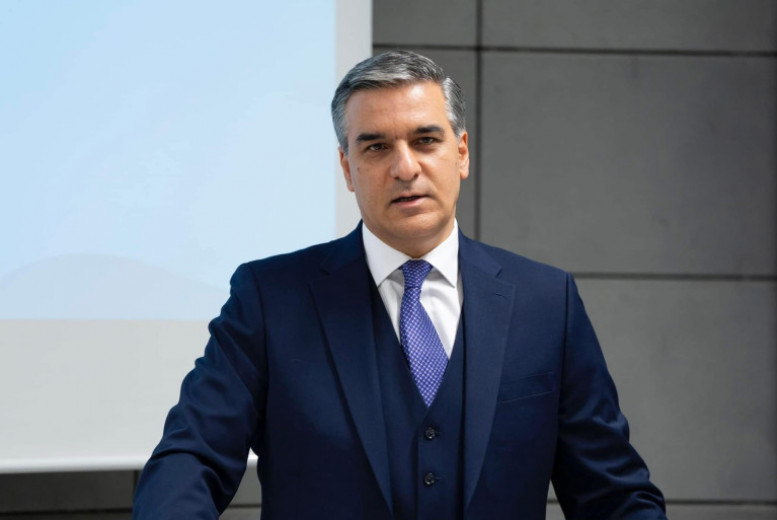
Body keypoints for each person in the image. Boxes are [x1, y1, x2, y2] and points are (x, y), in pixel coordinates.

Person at [133, 50, 667, 519]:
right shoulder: (269, 298)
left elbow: (613, 495)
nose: (405, 168)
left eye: (425, 140)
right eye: (376, 148)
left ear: (461, 152)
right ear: (347, 168)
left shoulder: (547, 303)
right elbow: (191, 457)